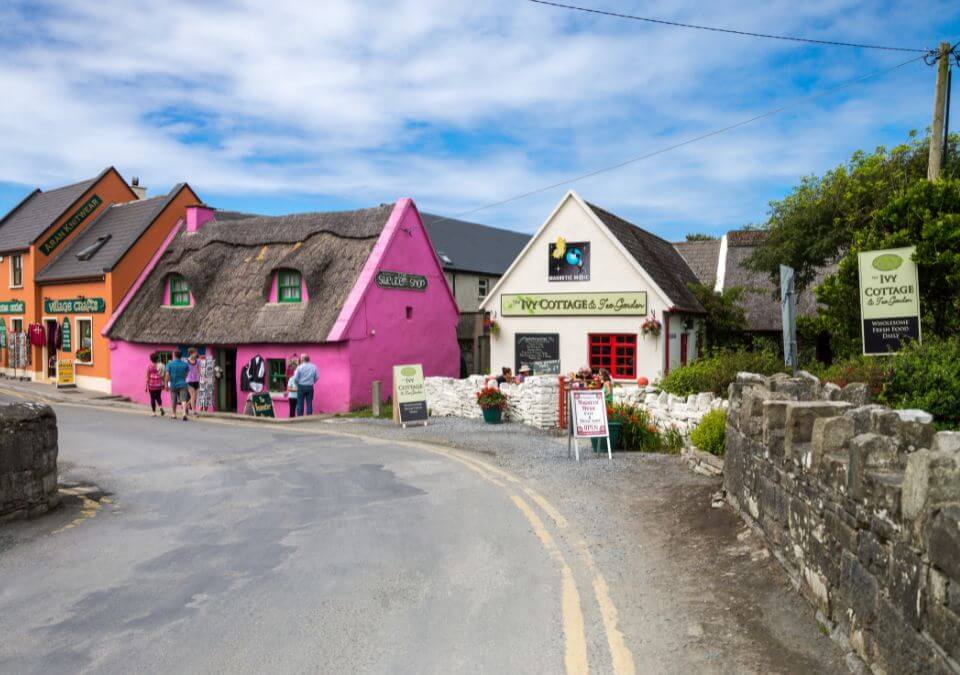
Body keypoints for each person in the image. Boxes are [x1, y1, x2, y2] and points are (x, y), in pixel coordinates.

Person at [165, 349, 191, 421]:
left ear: (175, 355)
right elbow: (187, 374)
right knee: (183, 400)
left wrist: (166, 384)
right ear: (181, 356)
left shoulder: (170, 364)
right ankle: (184, 414)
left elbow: (167, 374)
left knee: (173, 399)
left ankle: (173, 414)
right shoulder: (185, 364)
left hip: (173, 384)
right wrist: (183, 377)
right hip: (183, 383)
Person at [145, 352, 166, 417]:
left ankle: (154, 413)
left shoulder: (149, 366)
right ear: (157, 359)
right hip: (159, 383)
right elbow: (163, 375)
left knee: (152, 398)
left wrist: (146, 386)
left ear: (151, 359)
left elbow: (147, 376)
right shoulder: (161, 366)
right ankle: (160, 407)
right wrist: (164, 383)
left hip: (151, 384)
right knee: (158, 396)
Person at [185, 348, 201, 417]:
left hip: (196, 380)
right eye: (195, 353)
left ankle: (185, 406)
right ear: (191, 353)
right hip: (189, 380)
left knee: (195, 397)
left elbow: (199, 370)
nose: (196, 354)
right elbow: (185, 370)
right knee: (193, 396)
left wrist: (203, 377)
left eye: (196, 353)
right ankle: (194, 412)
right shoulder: (186, 361)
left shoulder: (198, 361)